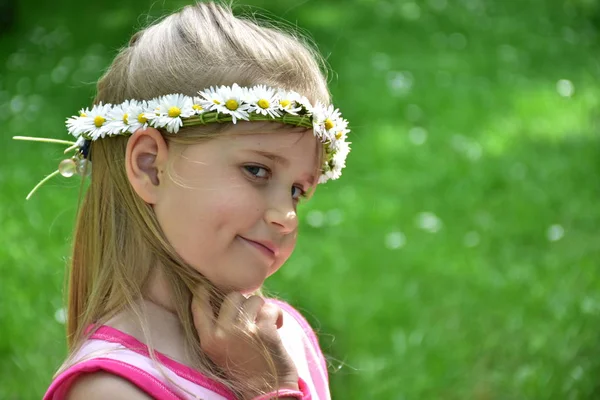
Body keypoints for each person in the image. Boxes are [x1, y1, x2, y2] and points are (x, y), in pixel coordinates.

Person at [23, 2, 350, 399]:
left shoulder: (283, 337)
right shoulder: (113, 388)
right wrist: (271, 389)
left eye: (297, 190)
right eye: (257, 171)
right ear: (150, 167)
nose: (286, 216)